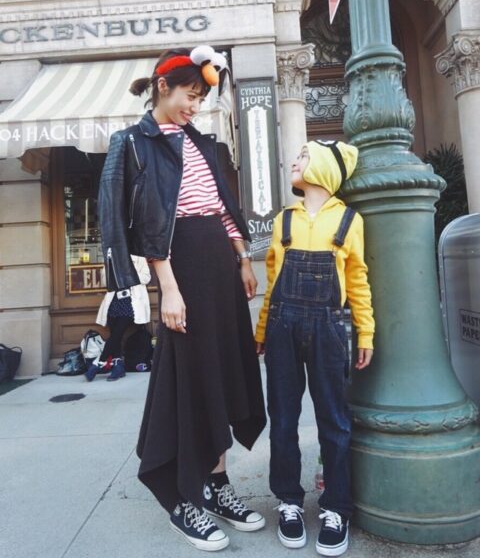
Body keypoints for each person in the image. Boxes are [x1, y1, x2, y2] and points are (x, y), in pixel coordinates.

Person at [98, 46, 266, 551]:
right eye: (190, 96)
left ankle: (216, 485)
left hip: (218, 263)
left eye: (201, 99)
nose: (195, 106)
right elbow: (146, 221)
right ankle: (181, 498)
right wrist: (167, 288)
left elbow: (221, 206)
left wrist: (242, 259)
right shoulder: (133, 143)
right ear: (163, 87)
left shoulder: (199, 141)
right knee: (189, 381)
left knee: (221, 373)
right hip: (181, 267)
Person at [255, 140, 375, 556]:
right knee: (283, 419)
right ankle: (288, 500)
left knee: (335, 421)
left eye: (304, 156)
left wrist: (365, 332)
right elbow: (273, 283)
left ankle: (336, 507)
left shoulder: (349, 221)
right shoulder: (283, 220)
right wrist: (261, 329)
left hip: (329, 329)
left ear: (324, 168)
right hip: (282, 328)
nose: (295, 160)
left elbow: (357, 280)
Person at [86, 255, 151, 381]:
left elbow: (146, 277)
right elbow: (105, 282)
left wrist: (128, 274)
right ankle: (118, 367)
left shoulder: (138, 256)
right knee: (116, 335)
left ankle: (99, 362)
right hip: (113, 300)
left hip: (132, 301)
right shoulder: (111, 255)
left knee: (117, 333)